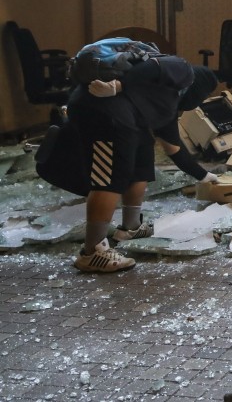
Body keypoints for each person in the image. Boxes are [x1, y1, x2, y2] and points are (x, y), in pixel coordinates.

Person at [69, 54, 220, 272]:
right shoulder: (183, 70)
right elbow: (151, 67)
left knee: (143, 157)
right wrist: (118, 86)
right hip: (100, 109)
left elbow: (175, 151)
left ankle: (130, 227)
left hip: (123, 118)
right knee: (111, 178)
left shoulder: (167, 103)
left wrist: (204, 176)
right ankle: (92, 252)